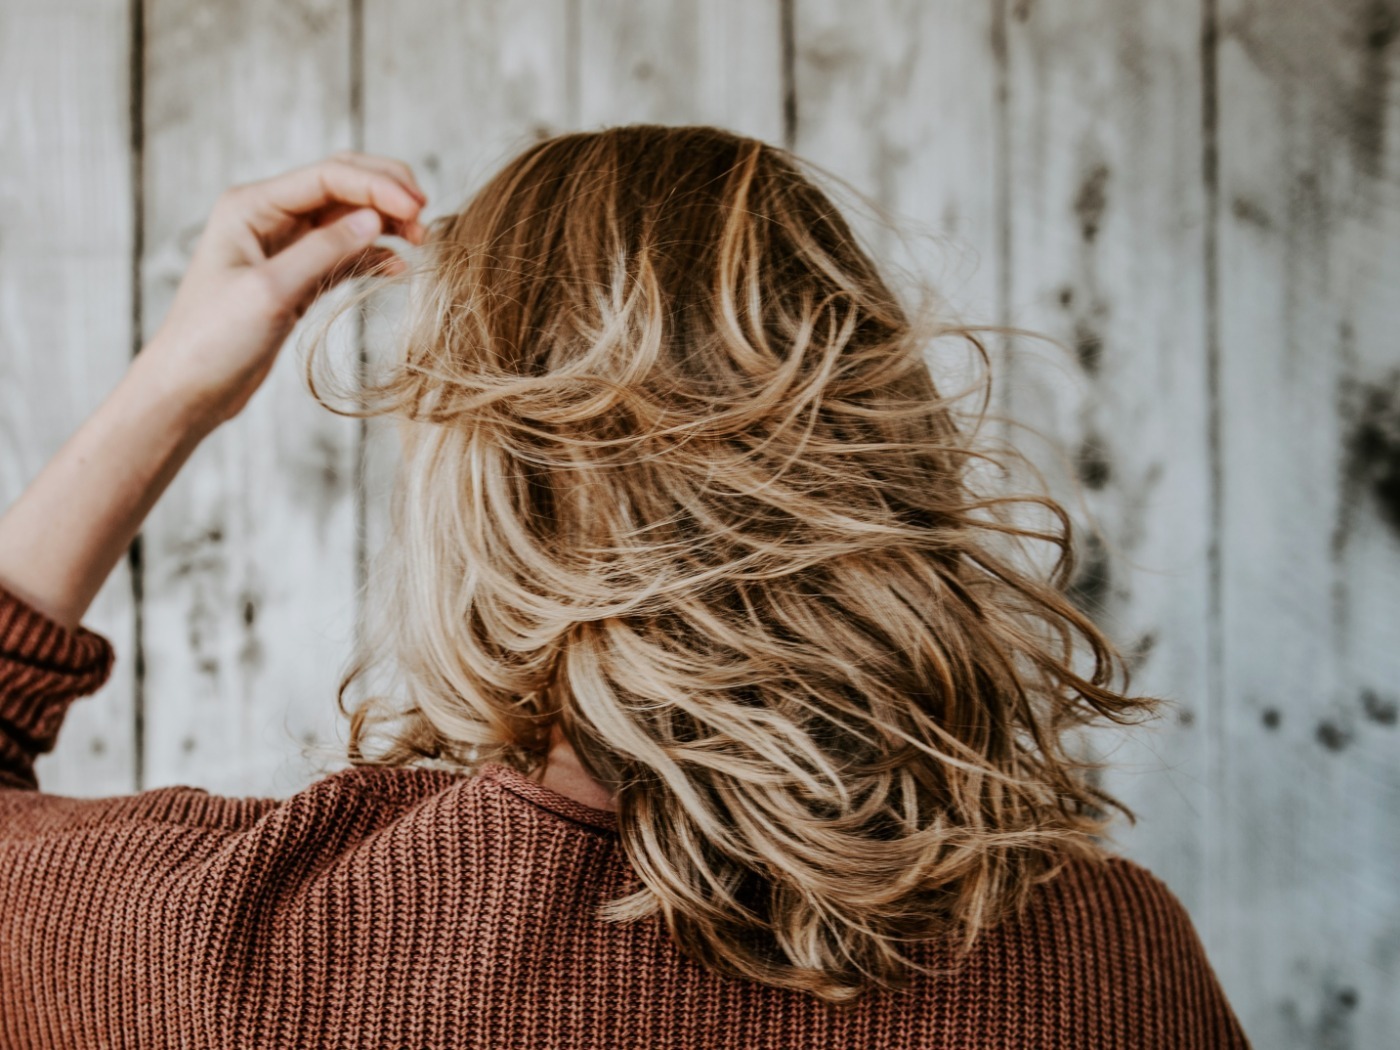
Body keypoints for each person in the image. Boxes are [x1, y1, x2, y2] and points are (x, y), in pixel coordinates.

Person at [0, 126, 1250, 1048]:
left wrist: (174, 382)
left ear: (489, 499)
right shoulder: (1110, 960)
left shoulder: (262, 952)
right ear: (881, 451)